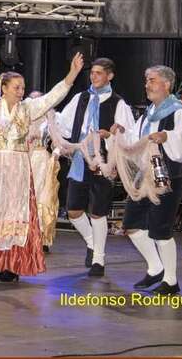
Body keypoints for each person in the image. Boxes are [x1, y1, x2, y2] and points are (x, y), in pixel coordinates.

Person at [0, 51, 84, 282]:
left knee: (16, 215)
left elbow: (53, 97)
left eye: (22, 87)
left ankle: (11, 265)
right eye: (16, 87)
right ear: (3, 88)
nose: (21, 91)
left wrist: (72, 73)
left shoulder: (28, 108)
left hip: (18, 168)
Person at [120, 65, 182, 295]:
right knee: (132, 225)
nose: (147, 85)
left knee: (161, 229)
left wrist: (167, 136)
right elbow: (135, 139)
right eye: (146, 80)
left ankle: (171, 280)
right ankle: (156, 268)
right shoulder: (148, 113)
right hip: (144, 176)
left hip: (168, 176)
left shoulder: (178, 112)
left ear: (166, 84)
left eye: (152, 80)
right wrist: (118, 134)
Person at [55, 58, 134, 276]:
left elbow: (128, 135)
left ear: (110, 76)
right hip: (81, 159)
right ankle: (91, 242)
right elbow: (64, 124)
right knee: (73, 210)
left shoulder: (118, 103)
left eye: (99, 73)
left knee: (98, 212)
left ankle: (99, 259)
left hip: (104, 162)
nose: (94, 76)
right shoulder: (81, 98)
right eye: (92, 73)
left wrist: (111, 135)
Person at [25, 91, 61, 255]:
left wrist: (56, 153)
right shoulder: (23, 117)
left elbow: (57, 142)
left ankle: (41, 236)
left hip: (41, 159)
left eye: (37, 98)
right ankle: (25, 235)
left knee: (43, 197)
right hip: (24, 160)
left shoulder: (49, 118)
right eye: (31, 98)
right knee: (25, 197)